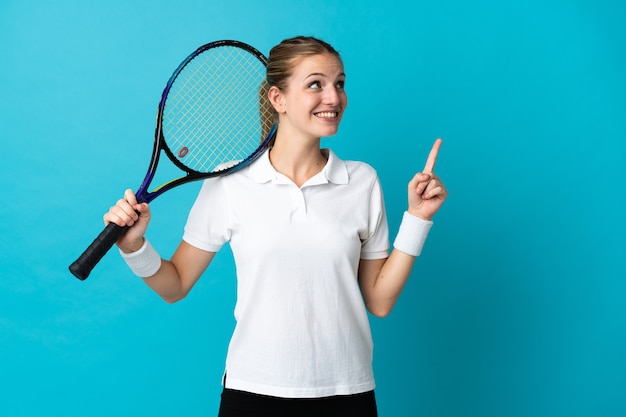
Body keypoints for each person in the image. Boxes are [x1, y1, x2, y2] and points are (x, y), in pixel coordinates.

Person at [104, 36, 447, 417]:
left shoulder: (362, 181)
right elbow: (176, 284)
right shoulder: (229, 182)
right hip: (253, 394)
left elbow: (379, 301)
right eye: (315, 84)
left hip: (348, 392)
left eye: (340, 83)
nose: (333, 97)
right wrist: (134, 247)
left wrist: (417, 218)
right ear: (277, 99)